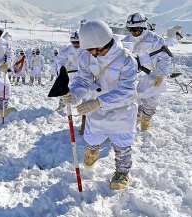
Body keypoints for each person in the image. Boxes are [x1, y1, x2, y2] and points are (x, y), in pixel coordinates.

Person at [63, 20, 138, 190]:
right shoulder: (87, 56)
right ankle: (92, 151)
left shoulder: (126, 60)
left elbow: (127, 91)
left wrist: (99, 102)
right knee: (93, 136)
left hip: (121, 111)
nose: (90, 53)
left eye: (91, 49)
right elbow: (83, 80)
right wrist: (74, 94)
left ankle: (122, 173)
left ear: (102, 43)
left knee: (122, 145)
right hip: (95, 109)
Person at [123, 13, 172, 131]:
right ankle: (136, 118)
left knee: (151, 101)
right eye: (131, 30)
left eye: (136, 29)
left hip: (153, 76)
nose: (134, 32)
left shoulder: (155, 40)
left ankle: (146, 119)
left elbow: (165, 58)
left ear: (144, 27)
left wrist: (160, 74)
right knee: (134, 101)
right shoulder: (127, 40)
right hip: (134, 77)